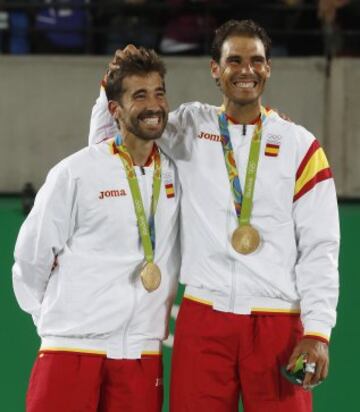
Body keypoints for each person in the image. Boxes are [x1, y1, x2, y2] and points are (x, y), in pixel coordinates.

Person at [88, 19, 339, 412]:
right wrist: (109, 93)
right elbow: (111, 147)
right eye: (234, 60)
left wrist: (318, 331)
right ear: (215, 69)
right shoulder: (188, 127)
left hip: (277, 322)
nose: (246, 70)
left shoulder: (300, 147)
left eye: (257, 60)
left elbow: (321, 247)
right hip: (204, 320)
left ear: (269, 68)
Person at [12, 48, 180, 412]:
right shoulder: (74, 174)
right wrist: (56, 321)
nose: (153, 105)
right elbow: (30, 259)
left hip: (140, 353)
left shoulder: (175, 174)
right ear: (115, 110)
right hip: (71, 349)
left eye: (159, 93)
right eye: (140, 95)